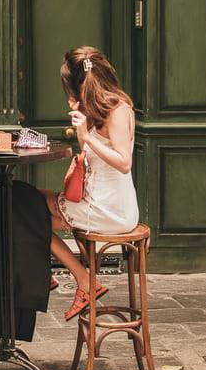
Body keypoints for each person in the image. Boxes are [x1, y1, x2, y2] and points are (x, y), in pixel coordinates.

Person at [41, 47, 139, 321]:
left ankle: (82, 280)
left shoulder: (118, 109)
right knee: (26, 206)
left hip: (110, 210)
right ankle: (70, 277)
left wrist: (85, 133)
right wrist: (83, 121)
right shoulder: (98, 109)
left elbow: (123, 162)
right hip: (97, 200)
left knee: (27, 210)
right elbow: (91, 154)